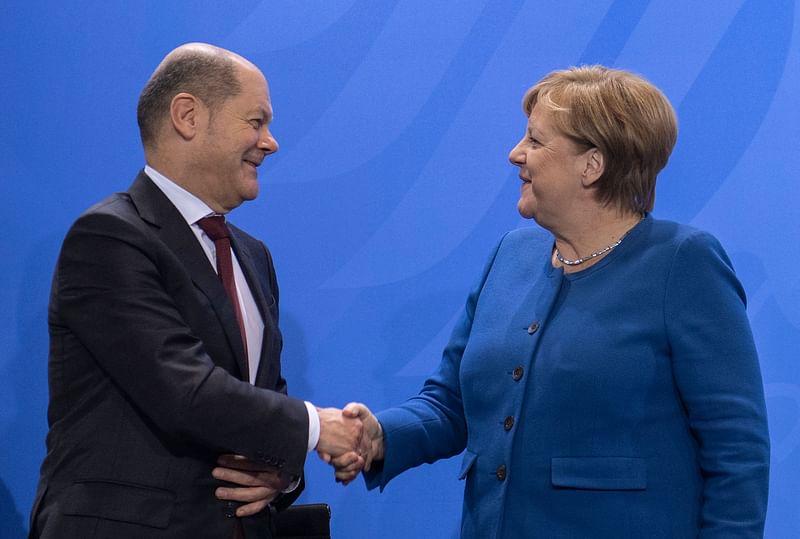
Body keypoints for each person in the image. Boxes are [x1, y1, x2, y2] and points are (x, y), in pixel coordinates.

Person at [330, 66, 771, 537]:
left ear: (592, 165)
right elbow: (450, 404)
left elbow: (737, 454)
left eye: (536, 142)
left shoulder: (683, 264)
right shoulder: (510, 256)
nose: (515, 154)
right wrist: (380, 435)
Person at [29, 43, 365, 539]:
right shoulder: (109, 237)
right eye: (256, 121)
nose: (270, 142)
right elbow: (183, 389)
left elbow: (263, 400)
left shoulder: (253, 257)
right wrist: (317, 429)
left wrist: (280, 475)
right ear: (187, 116)